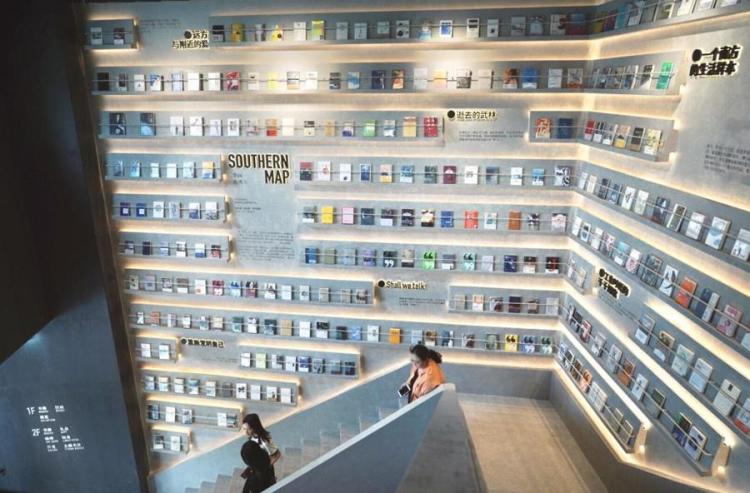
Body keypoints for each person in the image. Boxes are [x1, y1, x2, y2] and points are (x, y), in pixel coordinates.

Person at [240, 414, 277, 492]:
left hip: (264, 471)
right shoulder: (252, 436)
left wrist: (264, 467)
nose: (246, 432)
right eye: (244, 429)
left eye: (249, 429)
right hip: (257, 468)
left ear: (255, 427)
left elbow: (276, 455)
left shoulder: (264, 441)